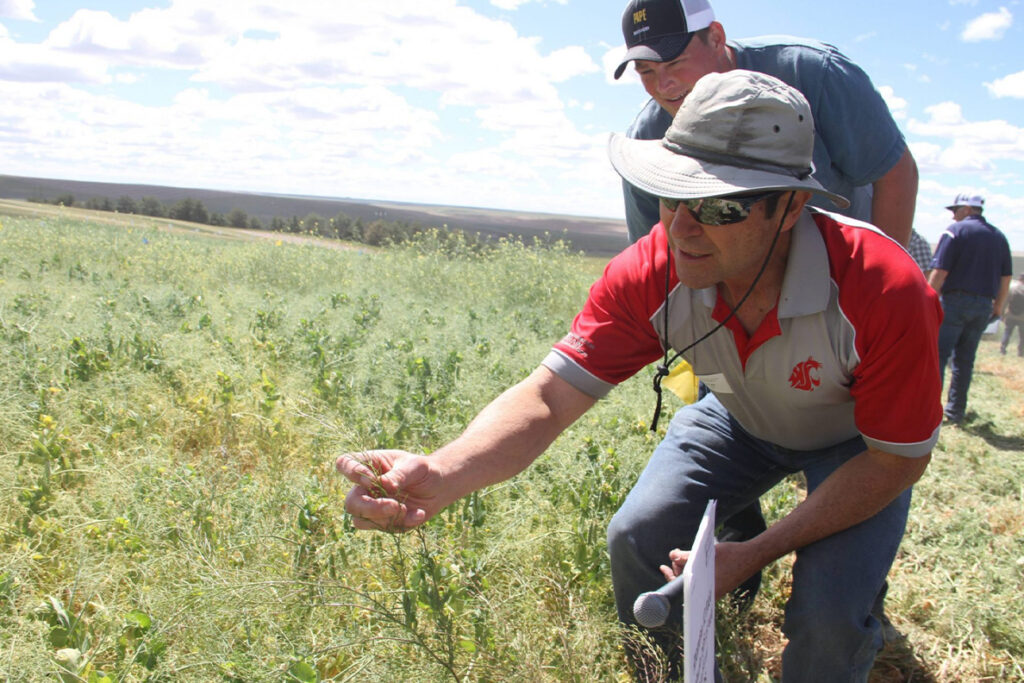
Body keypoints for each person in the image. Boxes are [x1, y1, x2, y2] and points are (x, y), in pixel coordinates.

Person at [337, 70, 941, 681]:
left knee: (829, 617)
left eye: (720, 206)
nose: (681, 228)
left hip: (860, 445)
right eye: (671, 196)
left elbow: (896, 461)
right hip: (737, 417)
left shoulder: (882, 288)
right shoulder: (655, 269)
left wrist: (755, 552)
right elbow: (550, 396)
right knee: (636, 535)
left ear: (790, 207)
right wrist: (441, 473)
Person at [614, 0, 918, 248]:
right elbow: (649, 249)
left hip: (840, 274)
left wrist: (879, 284)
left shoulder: (813, 74)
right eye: (646, 71)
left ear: (716, 38)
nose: (664, 85)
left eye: (675, 62)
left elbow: (895, 175)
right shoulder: (646, 140)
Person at [928, 193, 1013, 423]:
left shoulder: (955, 231)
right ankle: (956, 412)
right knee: (965, 361)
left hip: (954, 303)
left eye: (955, 210)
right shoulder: (999, 237)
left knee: (938, 357)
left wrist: (926, 301)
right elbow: (1006, 277)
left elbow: (940, 272)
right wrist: (998, 307)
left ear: (966, 209)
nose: (953, 216)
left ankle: (929, 411)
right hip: (983, 305)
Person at [1002, 274, 1024, 357]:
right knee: (1022, 336)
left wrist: (1002, 313)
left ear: (1019, 278)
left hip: (1010, 315)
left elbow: (1005, 301)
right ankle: (1021, 352)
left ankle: (1003, 349)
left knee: (1007, 332)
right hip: (1023, 317)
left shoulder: (1012, 288)